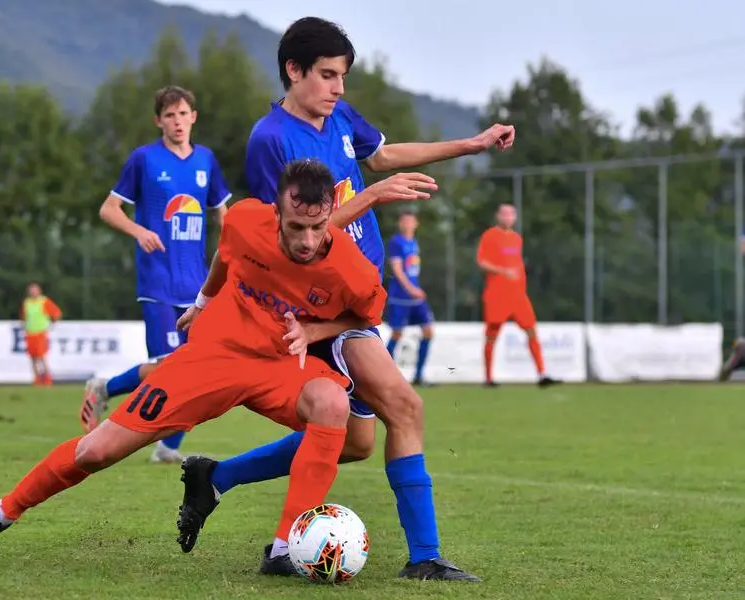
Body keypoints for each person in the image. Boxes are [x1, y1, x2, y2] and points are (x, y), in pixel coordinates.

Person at [176, 16, 516, 582]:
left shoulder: (337, 117)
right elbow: (292, 238)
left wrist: (472, 144)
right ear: (293, 70)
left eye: (342, 77)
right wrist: (373, 197)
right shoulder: (271, 139)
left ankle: (216, 477)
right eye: (328, 76)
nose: (338, 89)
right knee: (406, 408)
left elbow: (381, 156)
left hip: (356, 302)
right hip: (318, 307)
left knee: (355, 443)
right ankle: (424, 557)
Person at [0, 159, 388, 565]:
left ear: (331, 214)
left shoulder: (355, 271)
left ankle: (286, 549)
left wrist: (312, 331)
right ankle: (0, 513)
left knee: (332, 404)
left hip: (280, 366)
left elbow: (367, 316)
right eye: (295, 228)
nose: (307, 241)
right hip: (214, 355)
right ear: (276, 212)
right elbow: (226, 256)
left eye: (318, 228)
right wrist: (204, 299)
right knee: (97, 451)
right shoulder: (247, 219)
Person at [78, 86, 231, 464]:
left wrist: (237, 252)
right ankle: (107, 389)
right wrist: (139, 231)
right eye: (170, 116)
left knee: (195, 371)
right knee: (170, 366)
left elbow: (224, 214)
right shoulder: (144, 160)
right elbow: (109, 209)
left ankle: (166, 447)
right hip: (158, 281)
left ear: (193, 117)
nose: (177, 122)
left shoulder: (207, 161)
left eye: (183, 114)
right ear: (158, 121)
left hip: (197, 284)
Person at [476, 204, 559, 388]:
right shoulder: (490, 236)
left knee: (531, 330)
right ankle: (488, 379)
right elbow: (481, 262)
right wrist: (504, 271)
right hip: (497, 295)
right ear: (498, 216)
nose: (508, 217)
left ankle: (542, 374)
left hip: (518, 296)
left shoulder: (516, 239)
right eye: (504, 214)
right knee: (492, 335)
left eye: (511, 214)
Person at [385, 209, 435, 385]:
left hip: (415, 297)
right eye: (404, 221)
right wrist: (411, 289)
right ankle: (384, 375)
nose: (407, 224)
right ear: (400, 224)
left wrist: (415, 290)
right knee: (397, 333)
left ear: (416, 224)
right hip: (401, 296)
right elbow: (397, 269)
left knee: (428, 332)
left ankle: (419, 375)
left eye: (410, 221)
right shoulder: (396, 242)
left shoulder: (413, 242)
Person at [19, 283, 62, 386]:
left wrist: (52, 324)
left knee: (42, 356)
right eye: (31, 290)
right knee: (33, 357)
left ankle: (47, 377)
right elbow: (23, 317)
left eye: (35, 290)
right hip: (30, 333)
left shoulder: (43, 301)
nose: (33, 292)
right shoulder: (27, 302)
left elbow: (56, 313)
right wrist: (23, 325)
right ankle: (36, 378)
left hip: (40, 333)